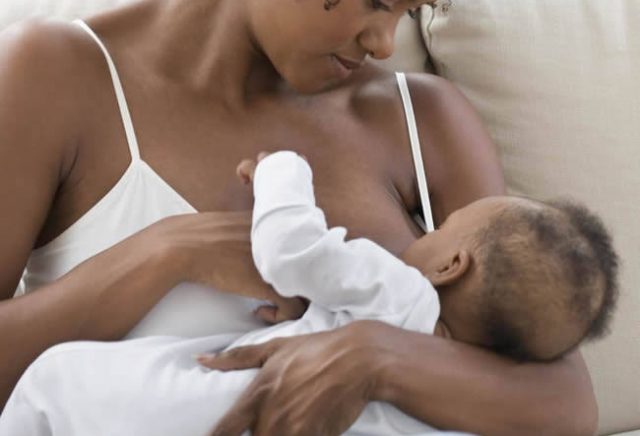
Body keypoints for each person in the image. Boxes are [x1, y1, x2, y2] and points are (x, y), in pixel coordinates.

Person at [0, 0, 599, 434]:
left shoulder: (423, 118)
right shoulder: (51, 71)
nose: (384, 43)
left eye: (411, 10)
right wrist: (169, 252)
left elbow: (566, 400)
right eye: (377, 2)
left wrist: (374, 358)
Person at [0, 151, 618, 435]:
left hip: (200, 409)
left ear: (451, 265)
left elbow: (289, 248)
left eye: (441, 227)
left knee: (59, 380)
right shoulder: (463, 407)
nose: (384, 42)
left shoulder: (400, 290)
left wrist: (283, 171)